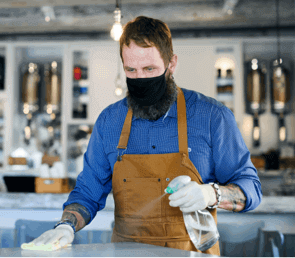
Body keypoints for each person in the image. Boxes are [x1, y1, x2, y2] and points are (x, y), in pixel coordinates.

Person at [24, 16, 262, 255]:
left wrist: (211, 193)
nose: (140, 79)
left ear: (171, 64)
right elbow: (88, 192)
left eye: (150, 69)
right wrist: (66, 226)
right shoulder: (110, 122)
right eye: (131, 70)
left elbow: (250, 189)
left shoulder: (212, 117)